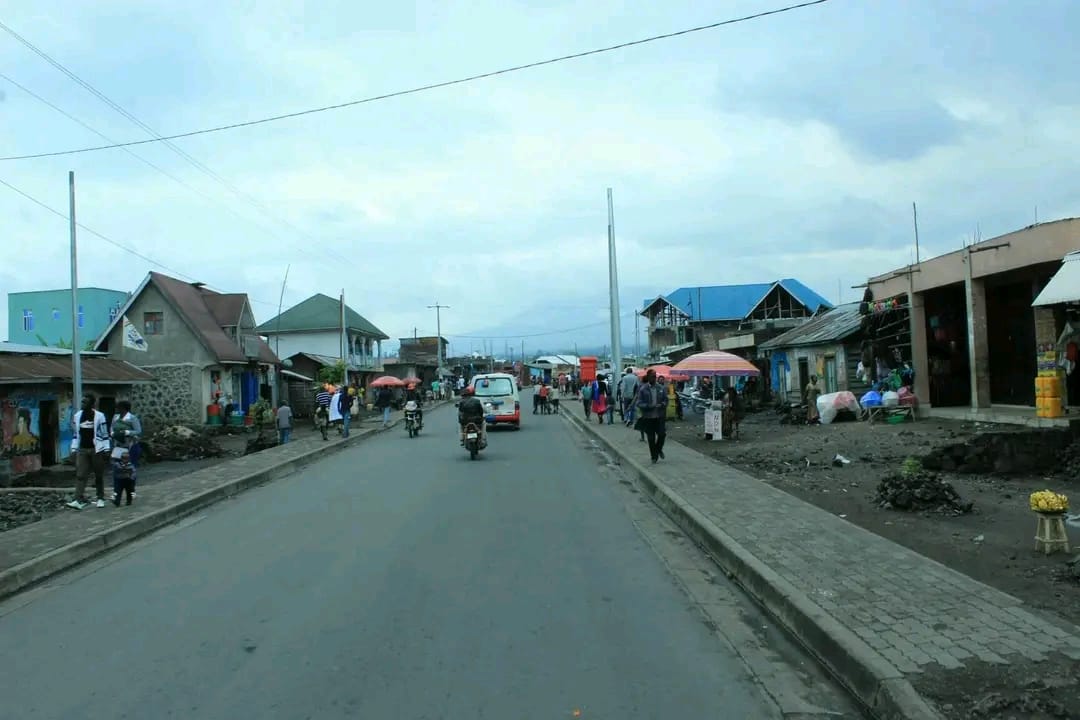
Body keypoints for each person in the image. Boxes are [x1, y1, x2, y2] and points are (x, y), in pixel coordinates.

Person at [68, 394, 110, 509]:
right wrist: (73, 449)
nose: (82, 404)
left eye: (85, 402)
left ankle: (100, 498)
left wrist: (106, 449)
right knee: (80, 474)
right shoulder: (77, 416)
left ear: (91, 404)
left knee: (98, 474)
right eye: (82, 402)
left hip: (96, 449)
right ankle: (78, 499)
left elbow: (104, 433)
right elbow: (76, 434)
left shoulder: (99, 416)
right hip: (82, 449)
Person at [636, 369, 668, 464]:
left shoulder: (661, 388)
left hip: (659, 416)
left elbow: (666, 400)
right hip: (648, 417)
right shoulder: (643, 389)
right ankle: (654, 457)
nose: (654, 378)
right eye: (652, 376)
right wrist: (648, 406)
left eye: (655, 376)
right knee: (651, 438)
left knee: (662, 434)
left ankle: (658, 449)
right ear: (648, 377)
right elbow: (639, 403)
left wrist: (662, 404)